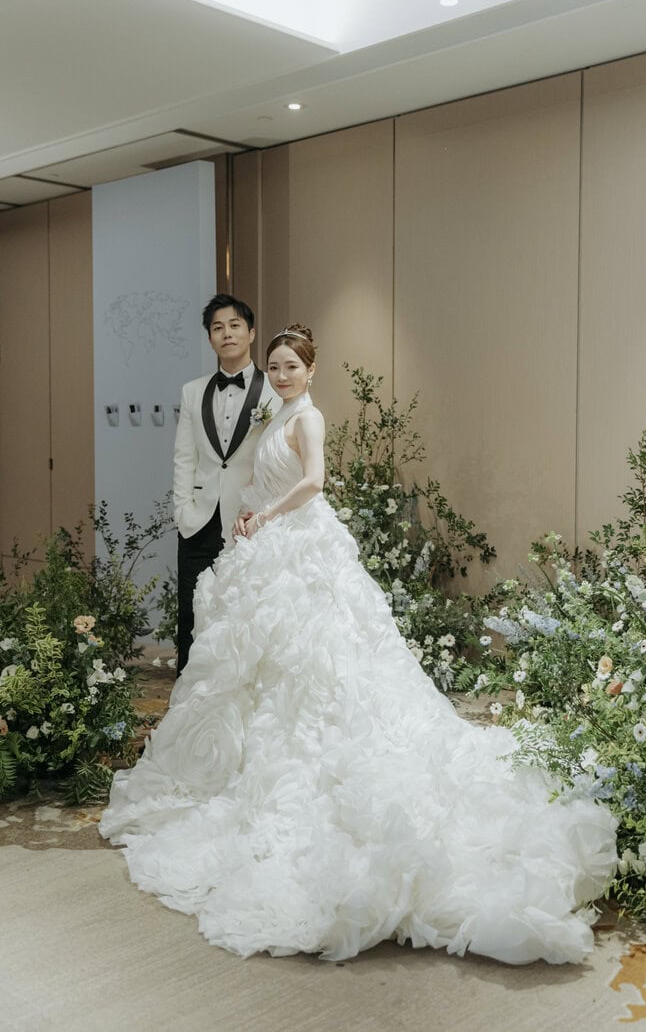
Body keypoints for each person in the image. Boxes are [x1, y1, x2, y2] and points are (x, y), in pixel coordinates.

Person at [100, 325, 618, 966]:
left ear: (311, 370)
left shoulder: (308, 418)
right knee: (265, 665)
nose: (282, 374)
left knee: (322, 660)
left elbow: (314, 482)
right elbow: (267, 479)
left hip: (303, 547)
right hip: (271, 544)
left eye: (291, 366)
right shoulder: (277, 413)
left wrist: (267, 516)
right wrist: (252, 513)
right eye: (275, 366)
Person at [172, 294, 278, 674]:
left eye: (235, 325)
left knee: (243, 614)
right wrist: (183, 511)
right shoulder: (192, 391)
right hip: (199, 520)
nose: (227, 333)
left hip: (250, 521)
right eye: (218, 328)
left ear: (251, 333)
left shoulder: (274, 390)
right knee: (192, 615)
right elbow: (184, 457)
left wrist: (262, 513)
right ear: (210, 338)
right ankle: (186, 698)